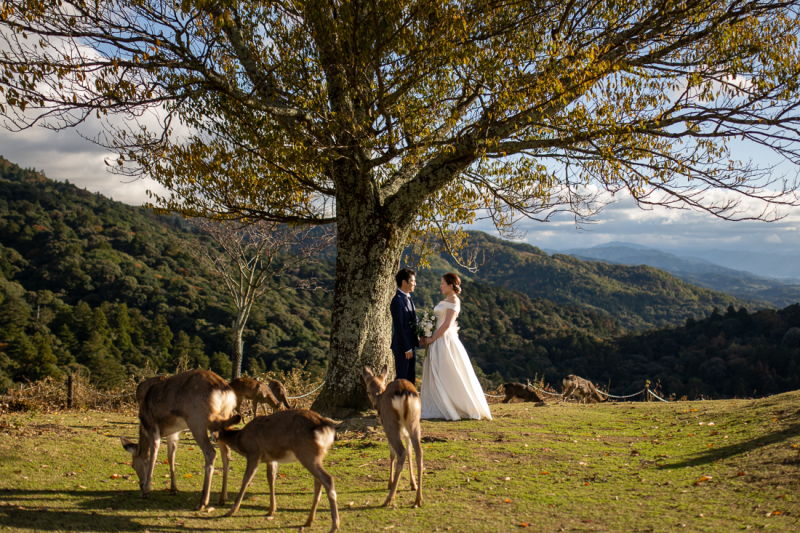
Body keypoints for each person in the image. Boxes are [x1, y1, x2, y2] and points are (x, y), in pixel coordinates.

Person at [419, 273, 492, 420]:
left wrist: (432, 338)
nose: (440, 286)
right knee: (438, 371)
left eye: (443, 283)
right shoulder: (446, 300)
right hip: (436, 339)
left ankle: (457, 405)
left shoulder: (454, 300)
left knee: (448, 372)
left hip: (444, 340)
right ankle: (439, 404)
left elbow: (447, 324)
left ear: (450, 285)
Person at [390, 268, 421, 383]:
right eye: (413, 281)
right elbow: (399, 327)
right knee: (402, 380)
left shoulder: (408, 298)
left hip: (411, 346)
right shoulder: (397, 301)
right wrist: (406, 348)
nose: (415, 284)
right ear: (404, 282)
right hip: (403, 348)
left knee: (410, 379)